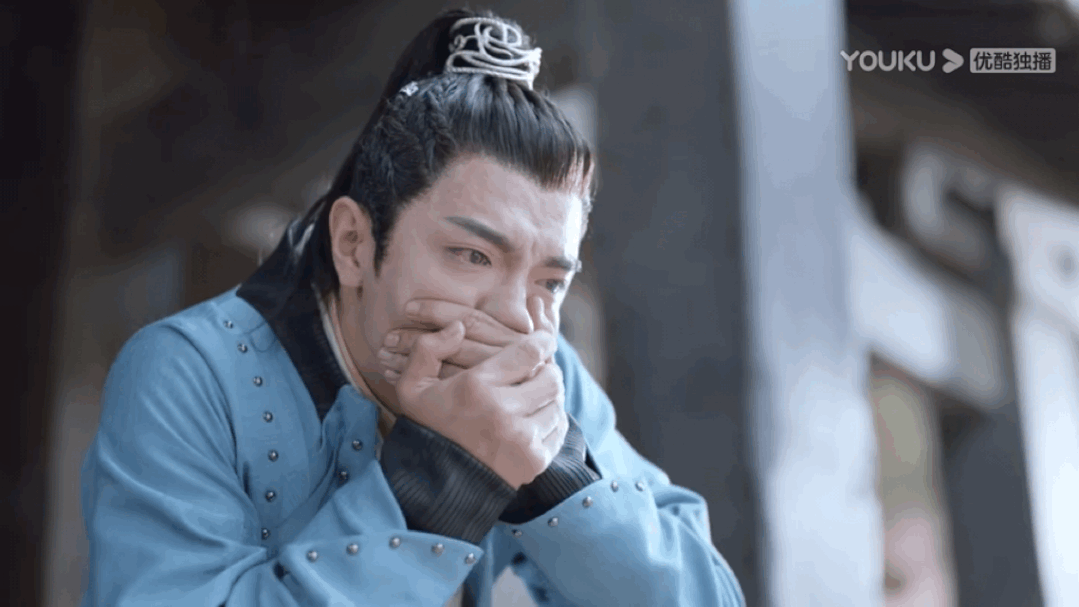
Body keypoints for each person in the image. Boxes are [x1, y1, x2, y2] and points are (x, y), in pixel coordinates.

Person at [79, 8, 745, 607]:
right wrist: (437, 482)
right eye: (472, 256)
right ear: (353, 243)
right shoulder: (190, 372)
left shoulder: (546, 372)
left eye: (550, 282)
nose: (518, 320)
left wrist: (559, 478)